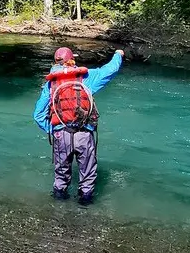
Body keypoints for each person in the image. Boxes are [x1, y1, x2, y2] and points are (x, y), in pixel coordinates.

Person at [32, 47, 124, 205]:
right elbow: (110, 69)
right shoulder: (86, 77)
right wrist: (118, 54)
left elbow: (38, 115)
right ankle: (85, 209)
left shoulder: (51, 84)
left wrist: (54, 129)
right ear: (72, 60)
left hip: (61, 135)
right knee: (87, 176)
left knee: (61, 178)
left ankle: (58, 210)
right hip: (84, 133)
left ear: (55, 62)